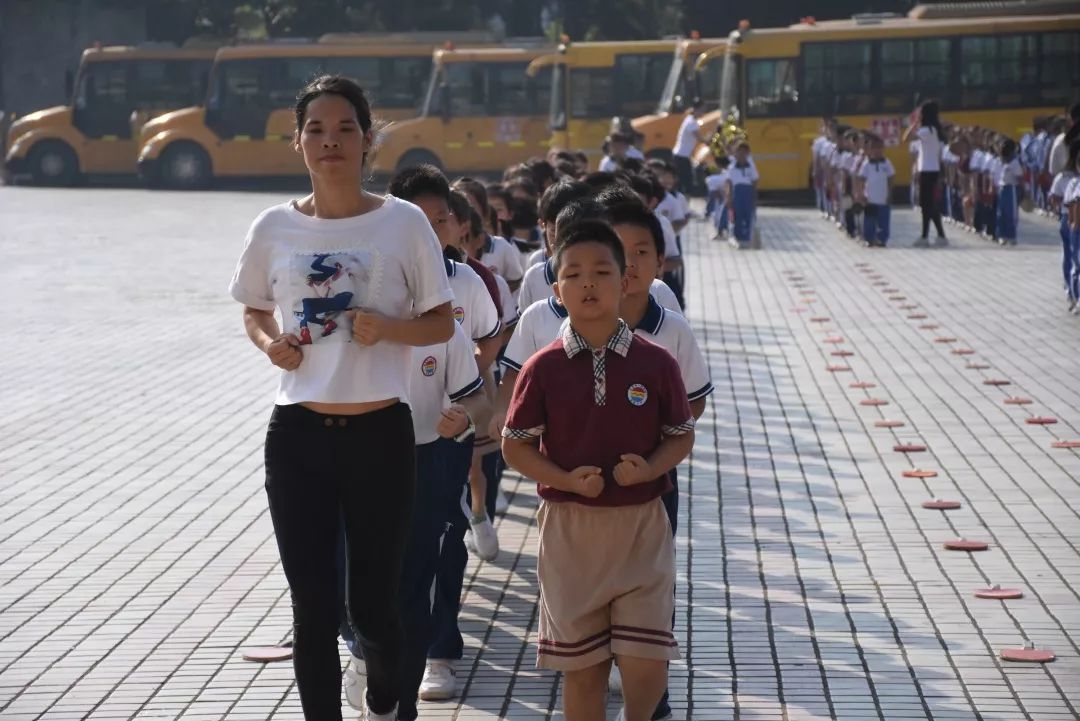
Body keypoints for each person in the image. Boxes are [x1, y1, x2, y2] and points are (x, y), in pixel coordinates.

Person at [229, 75, 455, 721]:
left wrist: (391, 329)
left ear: (367, 140)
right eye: (317, 130)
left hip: (380, 436)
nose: (330, 140)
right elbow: (252, 309)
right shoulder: (272, 226)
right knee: (313, 607)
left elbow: (441, 320)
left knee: (374, 606)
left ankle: (383, 698)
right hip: (296, 436)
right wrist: (270, 342)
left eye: (345, 128)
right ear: (299, 142)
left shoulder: (403, 222)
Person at [501, 219, 695, 721]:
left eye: (602, 271)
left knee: (646, 661)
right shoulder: (542, 367)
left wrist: (650, 468)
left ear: (626, 280)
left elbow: (681, 434)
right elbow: (515, 446)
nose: (588, 282)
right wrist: (565, 480)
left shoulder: (656, 362)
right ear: (557, 289)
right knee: (583, 671)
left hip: (641, 527)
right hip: (569, 533)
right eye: (574, 274)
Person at [903, 100, 948, 247]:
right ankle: (940, 235)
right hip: (931, 169)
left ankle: (924, 236)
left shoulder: (926, 131)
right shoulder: (934, 130)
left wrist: (914, 123)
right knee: (930, 205)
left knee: (926, 205)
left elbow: (906, 138)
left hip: (928, 170)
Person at [856, 135, 895, 248]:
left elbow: (891, 178)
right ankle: (869, 239)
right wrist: (861, 193)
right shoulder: (867, 164)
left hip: (883, 198)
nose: (877, 151)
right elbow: (861, 179)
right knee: (869, 221)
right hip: (870, 198)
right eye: (874, 148)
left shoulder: (887, 163)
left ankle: (882, 239)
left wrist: (890, 193)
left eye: (880, 148)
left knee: (884, 221)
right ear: (870, 150)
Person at [728, 141, 759, 249]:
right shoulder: (732, 168)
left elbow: (755, 181)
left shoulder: (751, 166)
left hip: (748, 192)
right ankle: (738, 238)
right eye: (739, 152)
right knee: (738, 216)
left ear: (748, 154)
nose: (741, 155)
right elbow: (730, 184)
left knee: (748, 215)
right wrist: (729, 198)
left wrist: (754, 197)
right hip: (737, 192)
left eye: (744, 152)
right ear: (736, 153)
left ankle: (747, 238)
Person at [672, 99, 706, 194]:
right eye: (702, 110)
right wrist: (712, 137)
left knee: (682, 184)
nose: (703, 112)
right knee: (686, 184)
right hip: (682, 157)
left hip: (681, 156)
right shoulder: (692, 122)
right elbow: (701, 139)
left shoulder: (689, 119)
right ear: (696, 109)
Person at [995, 139, 1022, 246]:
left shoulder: (1014, 162)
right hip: (1001, 188)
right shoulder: (999, 160)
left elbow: (1019, 177)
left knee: (1011, 214)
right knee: (1001, 213)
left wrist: (1024, 190)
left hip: (1011, 189)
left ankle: (1012, 236)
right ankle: (1002, 235)